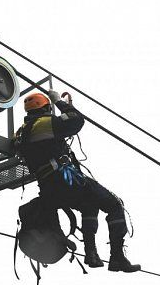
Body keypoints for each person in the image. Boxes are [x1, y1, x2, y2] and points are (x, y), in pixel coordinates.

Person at [14, 90, 140, 273]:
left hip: (49, 190)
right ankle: (117, 258)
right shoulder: (43, 124)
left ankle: (91, 253)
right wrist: (60, 102)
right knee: (114, 205)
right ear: (46, 108)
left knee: (90, 205)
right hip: (65, 182)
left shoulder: (21, 132)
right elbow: (75, 120)